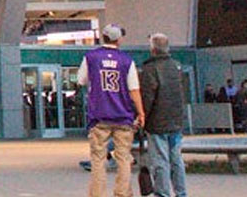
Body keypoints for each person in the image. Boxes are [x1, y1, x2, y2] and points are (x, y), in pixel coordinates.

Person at [76, 23, 143, 197]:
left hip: (99, 116)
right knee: (123, 158)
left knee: (98, 160)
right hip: (123, 116)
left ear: (103, 36)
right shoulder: (127, 60)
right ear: (118, 39)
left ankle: (97, 194)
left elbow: (81, 80)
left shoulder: (91, 57)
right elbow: (134, 89)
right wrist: (141, 112)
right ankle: (122, 193)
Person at [141, 35, 188, 197]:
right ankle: (181, 193)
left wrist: (141, 117)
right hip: (175, 121)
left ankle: (162, 193)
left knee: (160, 160)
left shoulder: (150, 69)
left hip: (157, 123)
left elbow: (148, 97)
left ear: (153, 49)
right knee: (176, 159)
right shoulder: (176, 66)